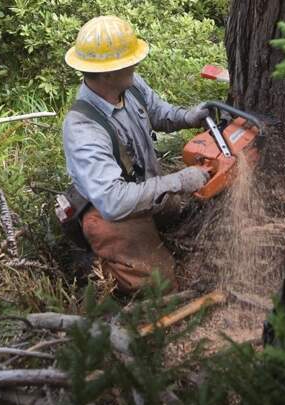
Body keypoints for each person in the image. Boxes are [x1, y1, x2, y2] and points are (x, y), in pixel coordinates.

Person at [62, 15, 210, 293]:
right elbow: (113, 202)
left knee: (192, 216)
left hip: (143, 187)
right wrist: (178, 181)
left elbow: (157, 112)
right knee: (160, 285)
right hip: (110, 211)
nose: (135, 65)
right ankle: (95, 267)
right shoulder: (83, 129)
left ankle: (156, 234)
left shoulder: (129, 85)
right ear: (108, 72)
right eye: (129, 61)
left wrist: (188, 117)